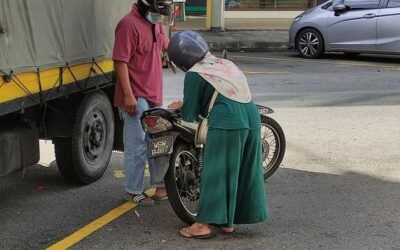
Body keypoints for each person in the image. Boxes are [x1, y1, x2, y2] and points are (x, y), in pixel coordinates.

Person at [167, 30, 268, 238]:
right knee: (242, 171)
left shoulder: (196, 73)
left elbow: (190, 115)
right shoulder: (224, 64)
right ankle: (227, 222)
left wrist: (180, 106)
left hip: (227, 122)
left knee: (216, 172)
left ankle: (202, 225)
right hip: (251, 116)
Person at [112, 0, 172, 206]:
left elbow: (166, 46)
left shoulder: (154, 22)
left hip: (154, 93)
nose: (158, 17)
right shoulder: (128, 25)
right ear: (145, 6)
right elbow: (120, 62)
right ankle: (133, 190)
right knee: (136, 145)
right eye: (156, 12)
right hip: (136, 96)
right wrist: (128, 95)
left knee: (158, 143)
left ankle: (161, 186)